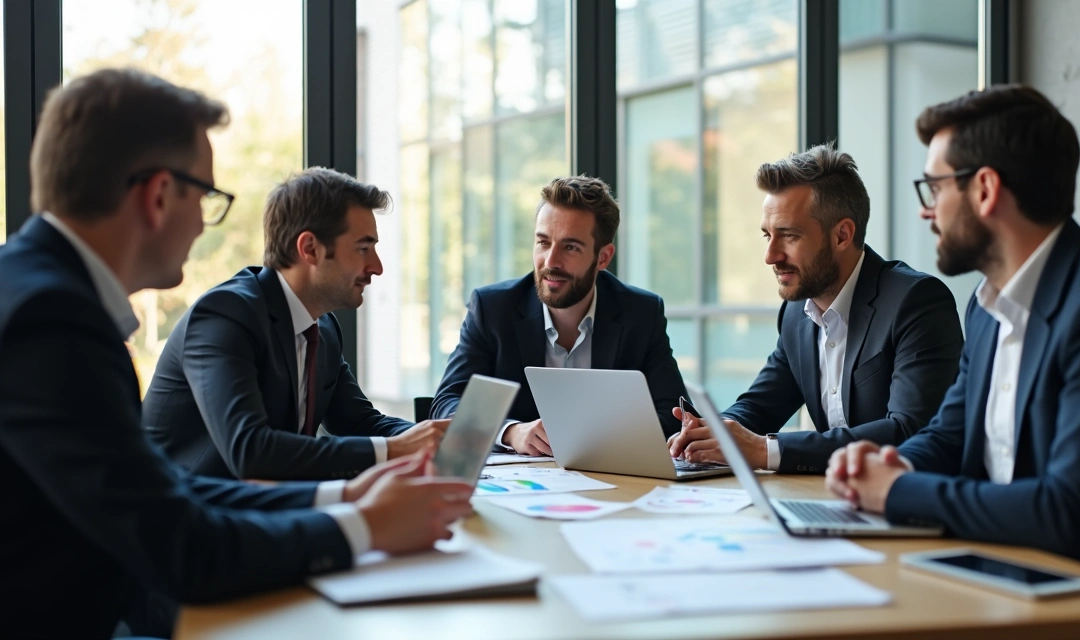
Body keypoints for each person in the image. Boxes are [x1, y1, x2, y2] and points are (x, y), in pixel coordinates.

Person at [0, 68, 473, 638]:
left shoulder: (33, 292)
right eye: (206, 196)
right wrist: (363, 527)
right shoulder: (50, 321)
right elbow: (184, 542)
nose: (204, 221)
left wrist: (345, 495)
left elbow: (163, 488)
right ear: (156, 195)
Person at [825, 84, 1080, 596]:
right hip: (1015, 575)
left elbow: (1069, 510)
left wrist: (898, 491)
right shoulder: (987, 308)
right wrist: (892, 462)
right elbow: (949, 435)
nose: (928, 210)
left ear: (984, 189)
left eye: (935, 188)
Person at [667, 144, 963, 474]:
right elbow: (761, 405)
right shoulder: (796, 313)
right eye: (767, 235)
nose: (770, 256)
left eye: (789, 236)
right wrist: (710, 433)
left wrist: (765, 450)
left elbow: (909, 431)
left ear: (842, 235)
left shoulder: (916, 301)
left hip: (907, 504)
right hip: (835, 499)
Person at [143, 167, 448, 481]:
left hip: (265, 508)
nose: (377, 267)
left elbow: (358, 423)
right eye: (363, 248)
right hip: (185, 518)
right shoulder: (226, 315)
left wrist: (438, 439)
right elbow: (251, 451)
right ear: (310, 249)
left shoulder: (323, 329)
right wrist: (395, 450)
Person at [430, 175, 687, 455]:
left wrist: (596, 440)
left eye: (570, 247)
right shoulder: (492, 309)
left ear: (603, 257)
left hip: (611, 483)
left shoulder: (641, 313)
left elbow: (674, 415)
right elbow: (447, 404)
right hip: (519, 489)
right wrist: (510, 432)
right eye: (543, 243)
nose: (551, 262)